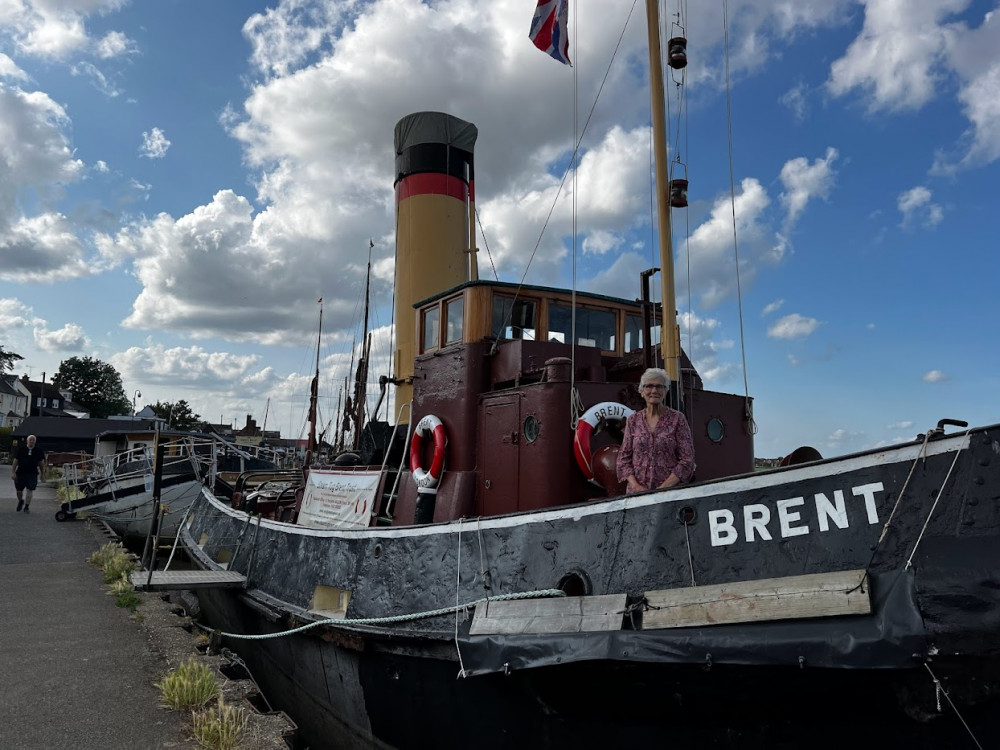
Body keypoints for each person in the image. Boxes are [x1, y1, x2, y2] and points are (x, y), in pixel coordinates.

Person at [617, 368, 695, 493]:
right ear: (642, 391)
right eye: (649, 386)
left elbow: (687, 460)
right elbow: (623, 459)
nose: (654, 390)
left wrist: (663, 488)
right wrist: (636, 487)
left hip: (670, 494)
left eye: (660, 387)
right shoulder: (633, 420)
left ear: (665, 391)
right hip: (637, 495)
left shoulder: (677, 419)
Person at [11, 434, 46, 513]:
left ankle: (26, 507)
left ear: (35, 441)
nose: (32, 441)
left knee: (30, 490)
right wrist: (13, 472)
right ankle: (20, 501)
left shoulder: (38, 451)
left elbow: (41, 463)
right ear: (27, 441)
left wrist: (42, 474)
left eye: (33, 440)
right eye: (30, 440)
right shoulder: (21, 449)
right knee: (19, 491)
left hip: (32, 474)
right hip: (20, 473)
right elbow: (15, 461)